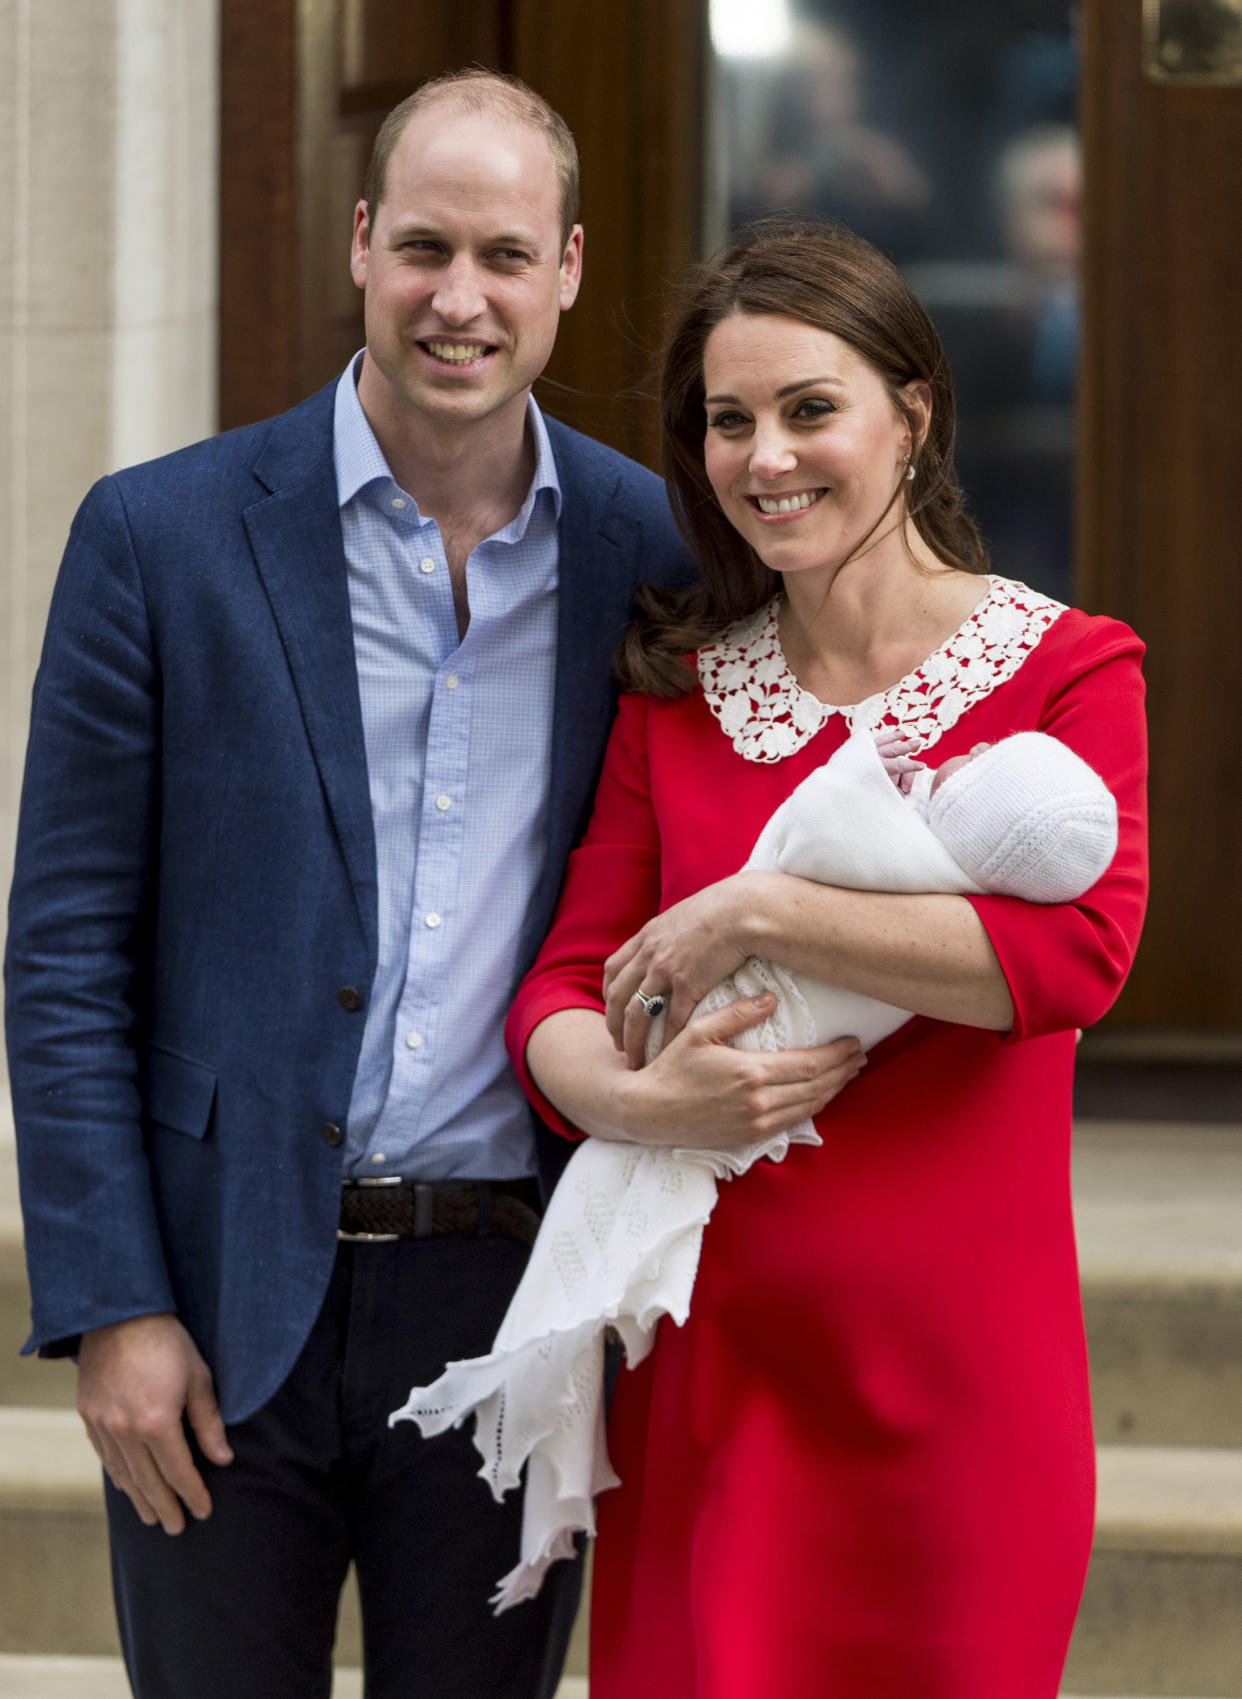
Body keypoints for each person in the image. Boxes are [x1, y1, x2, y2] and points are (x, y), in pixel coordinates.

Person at [4, 68, 697, 1699]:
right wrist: (110, 1303)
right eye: (427, 248)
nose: (461, 299)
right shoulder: (157, 537)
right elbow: (63, 954)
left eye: (506, 256)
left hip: (510, 1293)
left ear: (569, 269)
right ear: (362, 243)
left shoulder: (650, 553)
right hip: (218, 1292)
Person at [504, 220, 1148, 1698]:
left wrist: (760, 911)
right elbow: (561, 981)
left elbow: (1076, 958)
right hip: (713, 1381)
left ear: (909, 413)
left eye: (809, 410)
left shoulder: (1066, 668)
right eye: (726, 421)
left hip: (958, 1395)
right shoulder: (675, 695)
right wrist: (626, 1098)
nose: (763, 458)